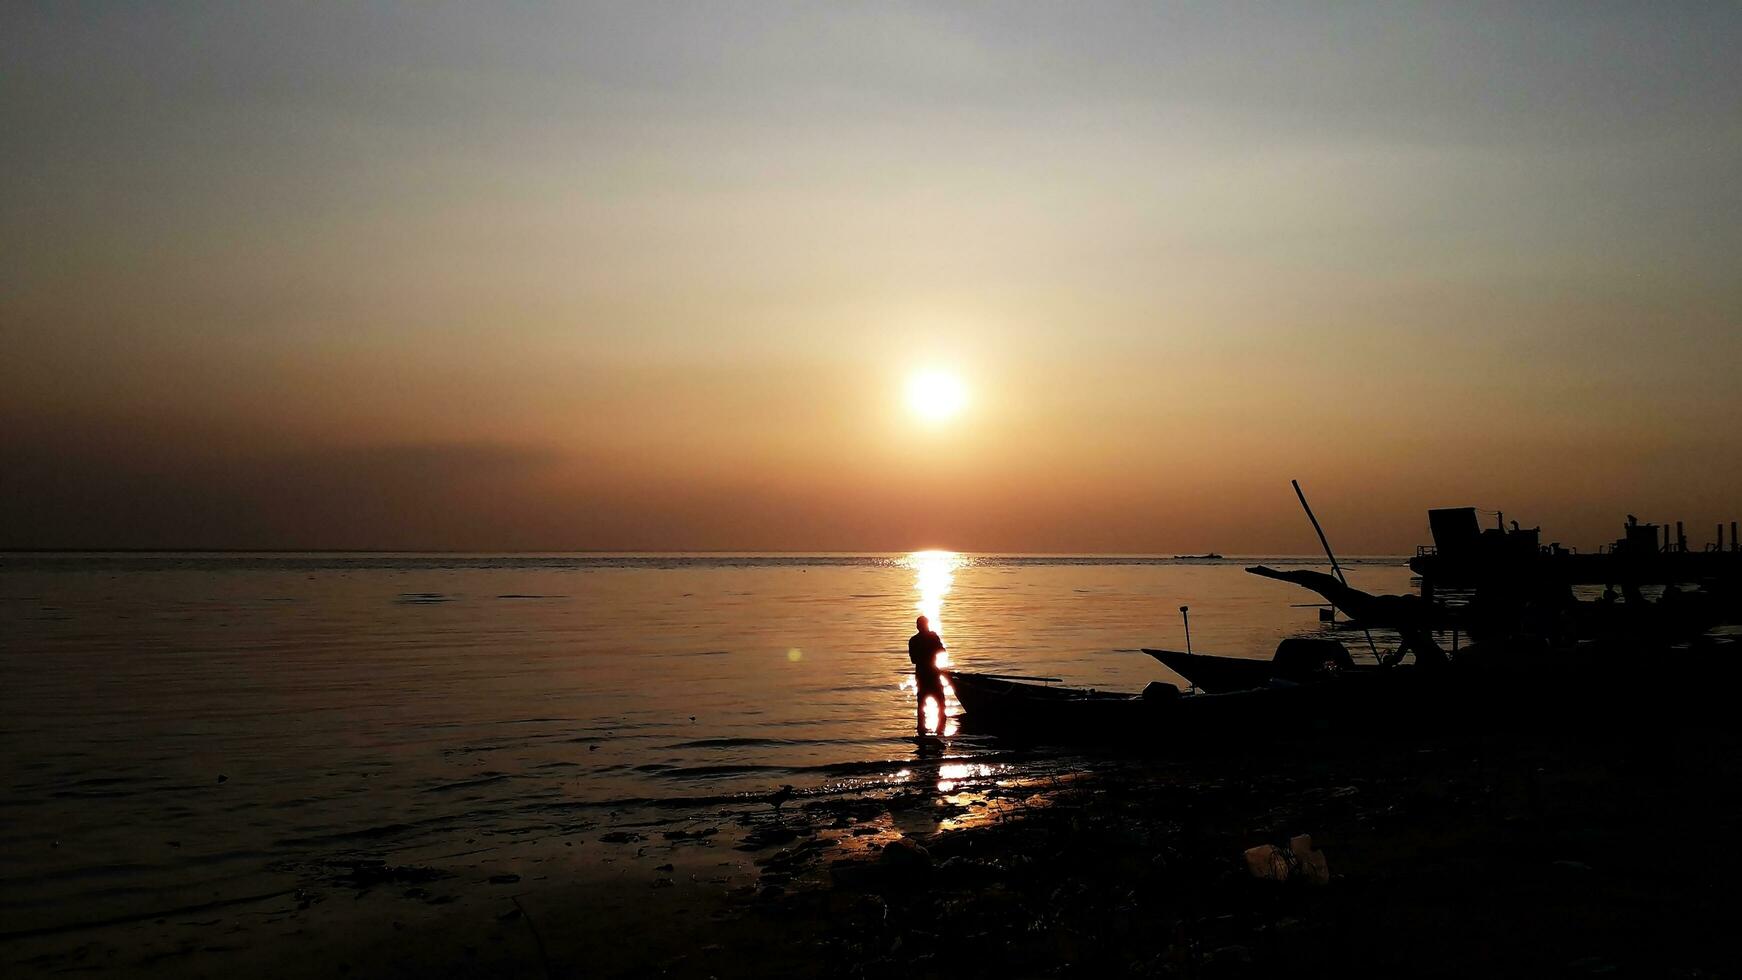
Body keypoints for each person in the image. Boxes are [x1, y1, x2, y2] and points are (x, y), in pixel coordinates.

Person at [907, 615, 947, 735]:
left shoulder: (913, 640)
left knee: (922, 706)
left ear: (918, 626)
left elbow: (913, 660)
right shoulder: (933, 636)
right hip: (932, 673)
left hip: (922, 674)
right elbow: (942, 651)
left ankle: (922, 731)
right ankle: (940, 732)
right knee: (940, 704)